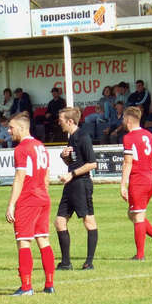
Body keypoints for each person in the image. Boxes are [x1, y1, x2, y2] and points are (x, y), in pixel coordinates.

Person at [5, 112, 56, 295]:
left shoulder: (21, 149)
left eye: (11, 127)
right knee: (43, 239)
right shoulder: (40, 146)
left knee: (23, 241)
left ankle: (26, 287)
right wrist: (44, 193)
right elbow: (47, 174)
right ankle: (49, 284)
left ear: (21, 128)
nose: (8, 131)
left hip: (28, 199)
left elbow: (19, 178)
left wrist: (11, 204)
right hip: (43, 197)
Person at [55, 107, 99, 270]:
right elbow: (73, 161)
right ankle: (66, 263)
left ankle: (89, 262)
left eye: (61, 120)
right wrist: (64, 157)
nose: (59, 122)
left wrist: (72, 174)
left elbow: (92, 163)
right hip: (71, 184)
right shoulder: (71, 138)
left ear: (70, 121)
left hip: (81, 184)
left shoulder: (83, 137)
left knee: (88, 220)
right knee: (60, 221)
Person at [120, 107, 152, 261]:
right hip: (150, 178)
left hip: (138, 180)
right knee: (133, 213)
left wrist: (123, 184)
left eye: (123, 119)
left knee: (138, 215)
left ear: (128, 121)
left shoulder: (128, 137)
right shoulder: (149, 135)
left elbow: (127, 163)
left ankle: (140, 255)